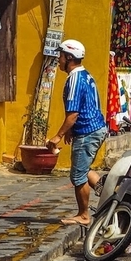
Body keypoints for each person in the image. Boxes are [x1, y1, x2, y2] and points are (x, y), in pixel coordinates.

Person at [46, 39, 107, 226]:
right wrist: (70, 131)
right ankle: (109, 194)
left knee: (77, 175)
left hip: (87, 132)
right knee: (83, 169)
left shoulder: (74, 79)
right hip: (96, 128)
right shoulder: (85, 75)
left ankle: (83, 215)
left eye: (61, 55)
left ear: (69, 57)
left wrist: (58, 136)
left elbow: (73, 114)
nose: (58, 59)